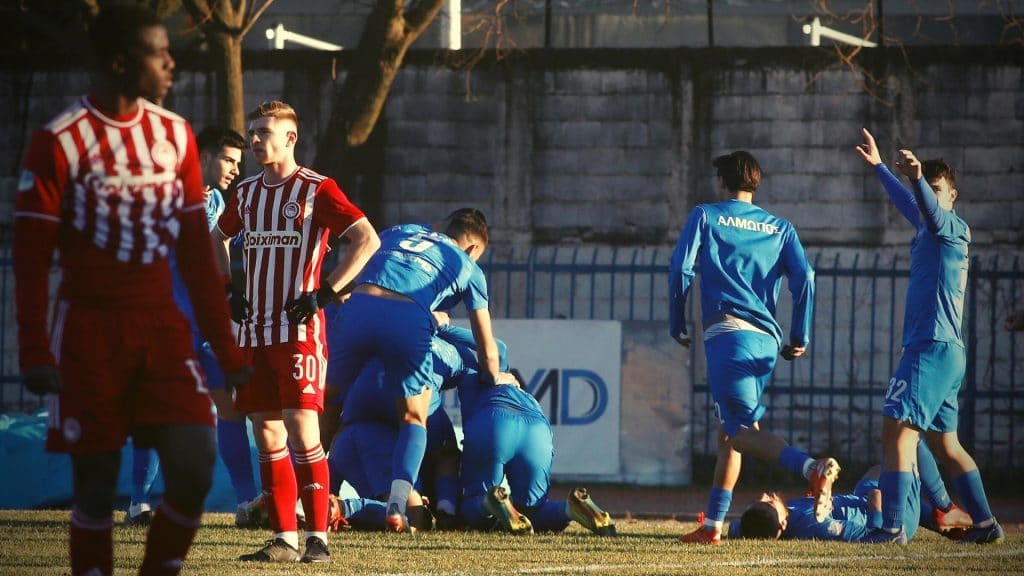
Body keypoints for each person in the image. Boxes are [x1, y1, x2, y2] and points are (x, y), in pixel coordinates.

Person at [13, 5, 250, 575]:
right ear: (120, 62)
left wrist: (226, 343)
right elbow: (30, 256)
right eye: (158, 53)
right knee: (95, 487)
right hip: (90, 330)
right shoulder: (59, 141)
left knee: (195, 463)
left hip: (163, 328)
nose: (172, 63)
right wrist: (36, 351)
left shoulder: (173, 137)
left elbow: (197, 251)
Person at [212, 100, 379, 563]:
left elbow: (367, 238)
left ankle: (318, 540)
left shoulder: (315, 188)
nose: (255, 138)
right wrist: (229, 289)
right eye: (253, 130)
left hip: (297, 330)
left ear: (291, 138)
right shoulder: (245, 193)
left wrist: (325, 293)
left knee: (303, 428)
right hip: (254, 331)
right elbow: (216, 236)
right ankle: (284, 538)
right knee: (266, 433)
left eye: (265, 131)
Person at [669, 151, 834, 545]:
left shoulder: (706, 215)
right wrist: (800, 335)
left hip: (729, 335)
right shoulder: (780, 227)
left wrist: (678, 321)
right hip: (765, 342)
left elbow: (680, 268)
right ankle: (712, 526)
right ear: (755, 184)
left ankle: (810, 468)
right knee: (729, 433)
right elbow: (805, 278)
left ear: (722, 182)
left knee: (739, 431)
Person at [855, 129, 1004, 544]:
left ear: (952, 196)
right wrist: (881, 168)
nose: (931, 197)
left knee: (897, 433)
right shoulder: (930, 227)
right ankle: (987, 524)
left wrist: (918, 178)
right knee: (946, 444)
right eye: (930, 190)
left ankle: (893, 529)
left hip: (930, 348)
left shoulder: (950, 226)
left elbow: (926, 208)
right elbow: (912, 204)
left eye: (940, 190)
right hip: (945, 351)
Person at [326, 209, 516, 534]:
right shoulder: (468, 266)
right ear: (473, 249)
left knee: (324, 403)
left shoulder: (403, 230)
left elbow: (364, 251)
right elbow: (488, 351)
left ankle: (292, 498)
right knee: (414, 417)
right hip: (407, 318)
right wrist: (494, 376)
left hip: (358, 305)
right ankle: (398, 505)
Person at [125, 126, 256, 528]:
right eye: (229, 160)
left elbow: (218, 253)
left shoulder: (216, 200)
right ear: (203, 156)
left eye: (238, 162)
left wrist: (231, 293)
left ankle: (249, 504)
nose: (235, 169)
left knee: (230, 408)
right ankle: (138, 506)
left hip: (208, 326)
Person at [728, 442, 973, 542]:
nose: (765, 496)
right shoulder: (818, 525)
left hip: (860, 498)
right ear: (781, 524)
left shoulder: (761, 525)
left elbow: (739, 527)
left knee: (872, 473)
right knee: (911, 441)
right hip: (890, 517)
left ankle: (933, 518)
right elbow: (874, 537)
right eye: (768, 503)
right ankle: (944, 507)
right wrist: (878, 506)